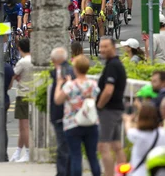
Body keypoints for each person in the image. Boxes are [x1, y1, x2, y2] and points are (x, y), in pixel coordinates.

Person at [54, 55, 101, 176]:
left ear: (75, 68)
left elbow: (58, 100)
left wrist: (60, 83)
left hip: (73, 123)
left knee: (76, 156)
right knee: (92, 157)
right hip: (90, 121)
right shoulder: (93, 84)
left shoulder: (70, 86)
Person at [97, 37, 127, 176]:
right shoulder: (115, 63)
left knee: (103, 146)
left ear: (113, 47)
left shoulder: (112, 66)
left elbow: (108, 90)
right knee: (117, 146)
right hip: (116, 109)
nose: (102, 49)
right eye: (101, 47)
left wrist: (99, 106)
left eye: (105, 46)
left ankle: (109, 174)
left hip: (109, 110)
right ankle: (123, 173)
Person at [50, 47, 75, 176]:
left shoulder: (61, 71)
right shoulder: (69, 69)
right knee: (65, 147)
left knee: (63, 148)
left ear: (55, 60)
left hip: (61, 114)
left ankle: (63, 172)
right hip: (66, 115)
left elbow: (61, 97)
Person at [123, 102, 165, 176]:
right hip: (156, 172)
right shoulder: (162, 133)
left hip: (138, 173)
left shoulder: (136, 134)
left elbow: (128, 130)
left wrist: (128, 120)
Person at [11, 38, 33, 162]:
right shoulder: (34, 60)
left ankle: (28, 152)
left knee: (23, 127)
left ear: (19, 48)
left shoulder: (22, 62)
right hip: (33, 94)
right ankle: (18, 152)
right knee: (22, 127)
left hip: (23, 95)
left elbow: (14, 75)